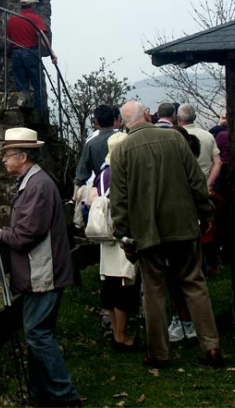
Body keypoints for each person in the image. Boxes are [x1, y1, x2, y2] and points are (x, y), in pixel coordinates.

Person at [110, 100, 223, 368]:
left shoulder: (122, 151)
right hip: (183, 225)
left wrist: (123, 235)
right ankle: (212, 346)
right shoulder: (175, 139)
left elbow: (119, 200)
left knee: (154, 290)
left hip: (148, 231)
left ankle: (159, 352)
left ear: (125, 123)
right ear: (146, 115)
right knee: (195, 284)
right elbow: (197, 181)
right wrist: (206, 213)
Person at [0, 128, 81, 407]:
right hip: (41, 271)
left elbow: (27, 234)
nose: (3, 159)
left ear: (23, 156)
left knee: (38, 335)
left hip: (43, 273)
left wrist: (0, 235)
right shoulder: (34, 182)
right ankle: (44, 393)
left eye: (8, 154)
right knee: (40, 333)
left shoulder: (37, 186)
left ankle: (65, 397)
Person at [90, 132, 139, 351]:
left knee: (110, 283)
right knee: (125, 284)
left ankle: (115, 331)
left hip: (106, 234)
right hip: (124, 232)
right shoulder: (127, 172)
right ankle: (122, 335)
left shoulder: (103, 173)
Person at [6, 0, 57, 112]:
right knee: (36, 83)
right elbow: (41, 36)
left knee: (21, 84)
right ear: (32, 5)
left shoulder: (12, 20)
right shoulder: (34, 18)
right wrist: (52, 53)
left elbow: (8, 37)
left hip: (16, 53)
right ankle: (39, 111)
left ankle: (24, 108)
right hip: (30, 52)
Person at [177, 103, 222, 189]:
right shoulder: (208, 135)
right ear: (195, 117)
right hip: (204, 184)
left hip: (182, 187)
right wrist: (208, 185)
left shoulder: (175, 136)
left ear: (178, 118)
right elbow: (218, 162)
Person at [73, 105, 116, 195]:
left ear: (96, 122)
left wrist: (74, 199)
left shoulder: (91, 144)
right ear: (114, 120)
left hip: (103, 191)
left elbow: (81, 177)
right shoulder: (124, 138)